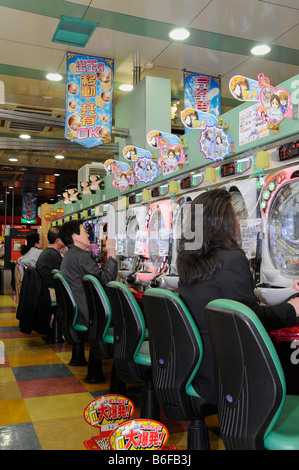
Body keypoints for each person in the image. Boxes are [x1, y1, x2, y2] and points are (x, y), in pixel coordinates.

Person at [177, 188, 299, 406]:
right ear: (222, 221)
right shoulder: (232, 259)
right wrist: (293, 308)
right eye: (235, 215)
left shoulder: (189, 261)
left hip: (198, 368)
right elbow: (251, 320)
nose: (239, 222)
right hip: (228, 376)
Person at [59, 220, 118, 328]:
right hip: (89, 312)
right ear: (75, 237)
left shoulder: (69, 255)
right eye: (84, 231)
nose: (87, 234)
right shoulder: (81, 257)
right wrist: (111, 253)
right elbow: (105, 280)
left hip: (77, 311)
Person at [36, 227, 65, 302]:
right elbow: (65, 275)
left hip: (44, 290)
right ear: (57, 240)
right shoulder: (54, 256)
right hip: (51, 292)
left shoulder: (47, 252)